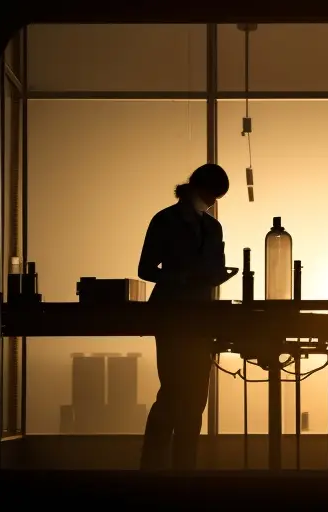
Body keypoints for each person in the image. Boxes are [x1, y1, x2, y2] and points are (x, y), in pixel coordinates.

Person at [138, 163, 233, 471]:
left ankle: (175, 467)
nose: (214, 202)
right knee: (176, 393)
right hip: (176, 315)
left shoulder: (208, 226)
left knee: (191, 398)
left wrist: (207, 277)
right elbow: (145, 269)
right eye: (213, 195)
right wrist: (185, 279)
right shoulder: (167, 221)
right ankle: (161, 467)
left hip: (194, 316)